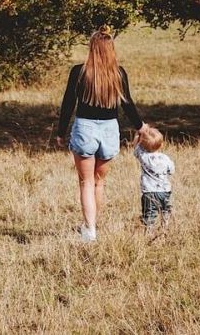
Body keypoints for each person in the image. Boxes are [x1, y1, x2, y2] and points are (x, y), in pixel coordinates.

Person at [53, 29, 144, 242]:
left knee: (85, 182)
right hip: (110, 130)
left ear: (92, 48)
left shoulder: (79, 72)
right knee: (98, 182)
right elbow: (127, 104)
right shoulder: (118, 73)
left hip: (85, 128)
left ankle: (89, 229)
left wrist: (61, 132)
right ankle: (92, 226)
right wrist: (140, 126)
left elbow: (68, 104)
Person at [133, 124, 174, 230]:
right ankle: (165, 228)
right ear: (161, 145)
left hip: (149, 192)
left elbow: (135, 146)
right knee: (165, 210)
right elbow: (171, 171)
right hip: (165, 191)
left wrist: (139, 133)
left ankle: (149, 231)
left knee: (149, 213)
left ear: (142, 145)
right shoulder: (165, 158)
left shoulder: (143, 156)